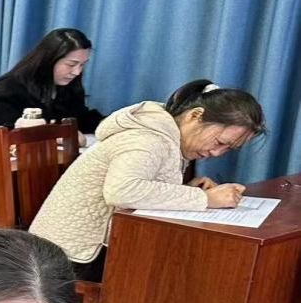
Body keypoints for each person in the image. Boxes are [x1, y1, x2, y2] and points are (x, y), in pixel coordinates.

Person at [29, 80, 263, 281]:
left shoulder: (165, 136)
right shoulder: (148, 139)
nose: (216, 153)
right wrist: (204, 198)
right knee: (182, 272)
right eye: (220, 142)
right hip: (67, 257)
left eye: (228, 149)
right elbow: (122, 191)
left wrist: (185, 190)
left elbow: (138, 186)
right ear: (195, 116)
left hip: (78, 249)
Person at [0, 28, 105, 134]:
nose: (77, 72)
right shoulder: (9, 86)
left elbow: (80, 118)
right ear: (48, 60)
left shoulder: (70, 84)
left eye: (82, 65)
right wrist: (58, 135)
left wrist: (109, 123)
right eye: (71, 64)